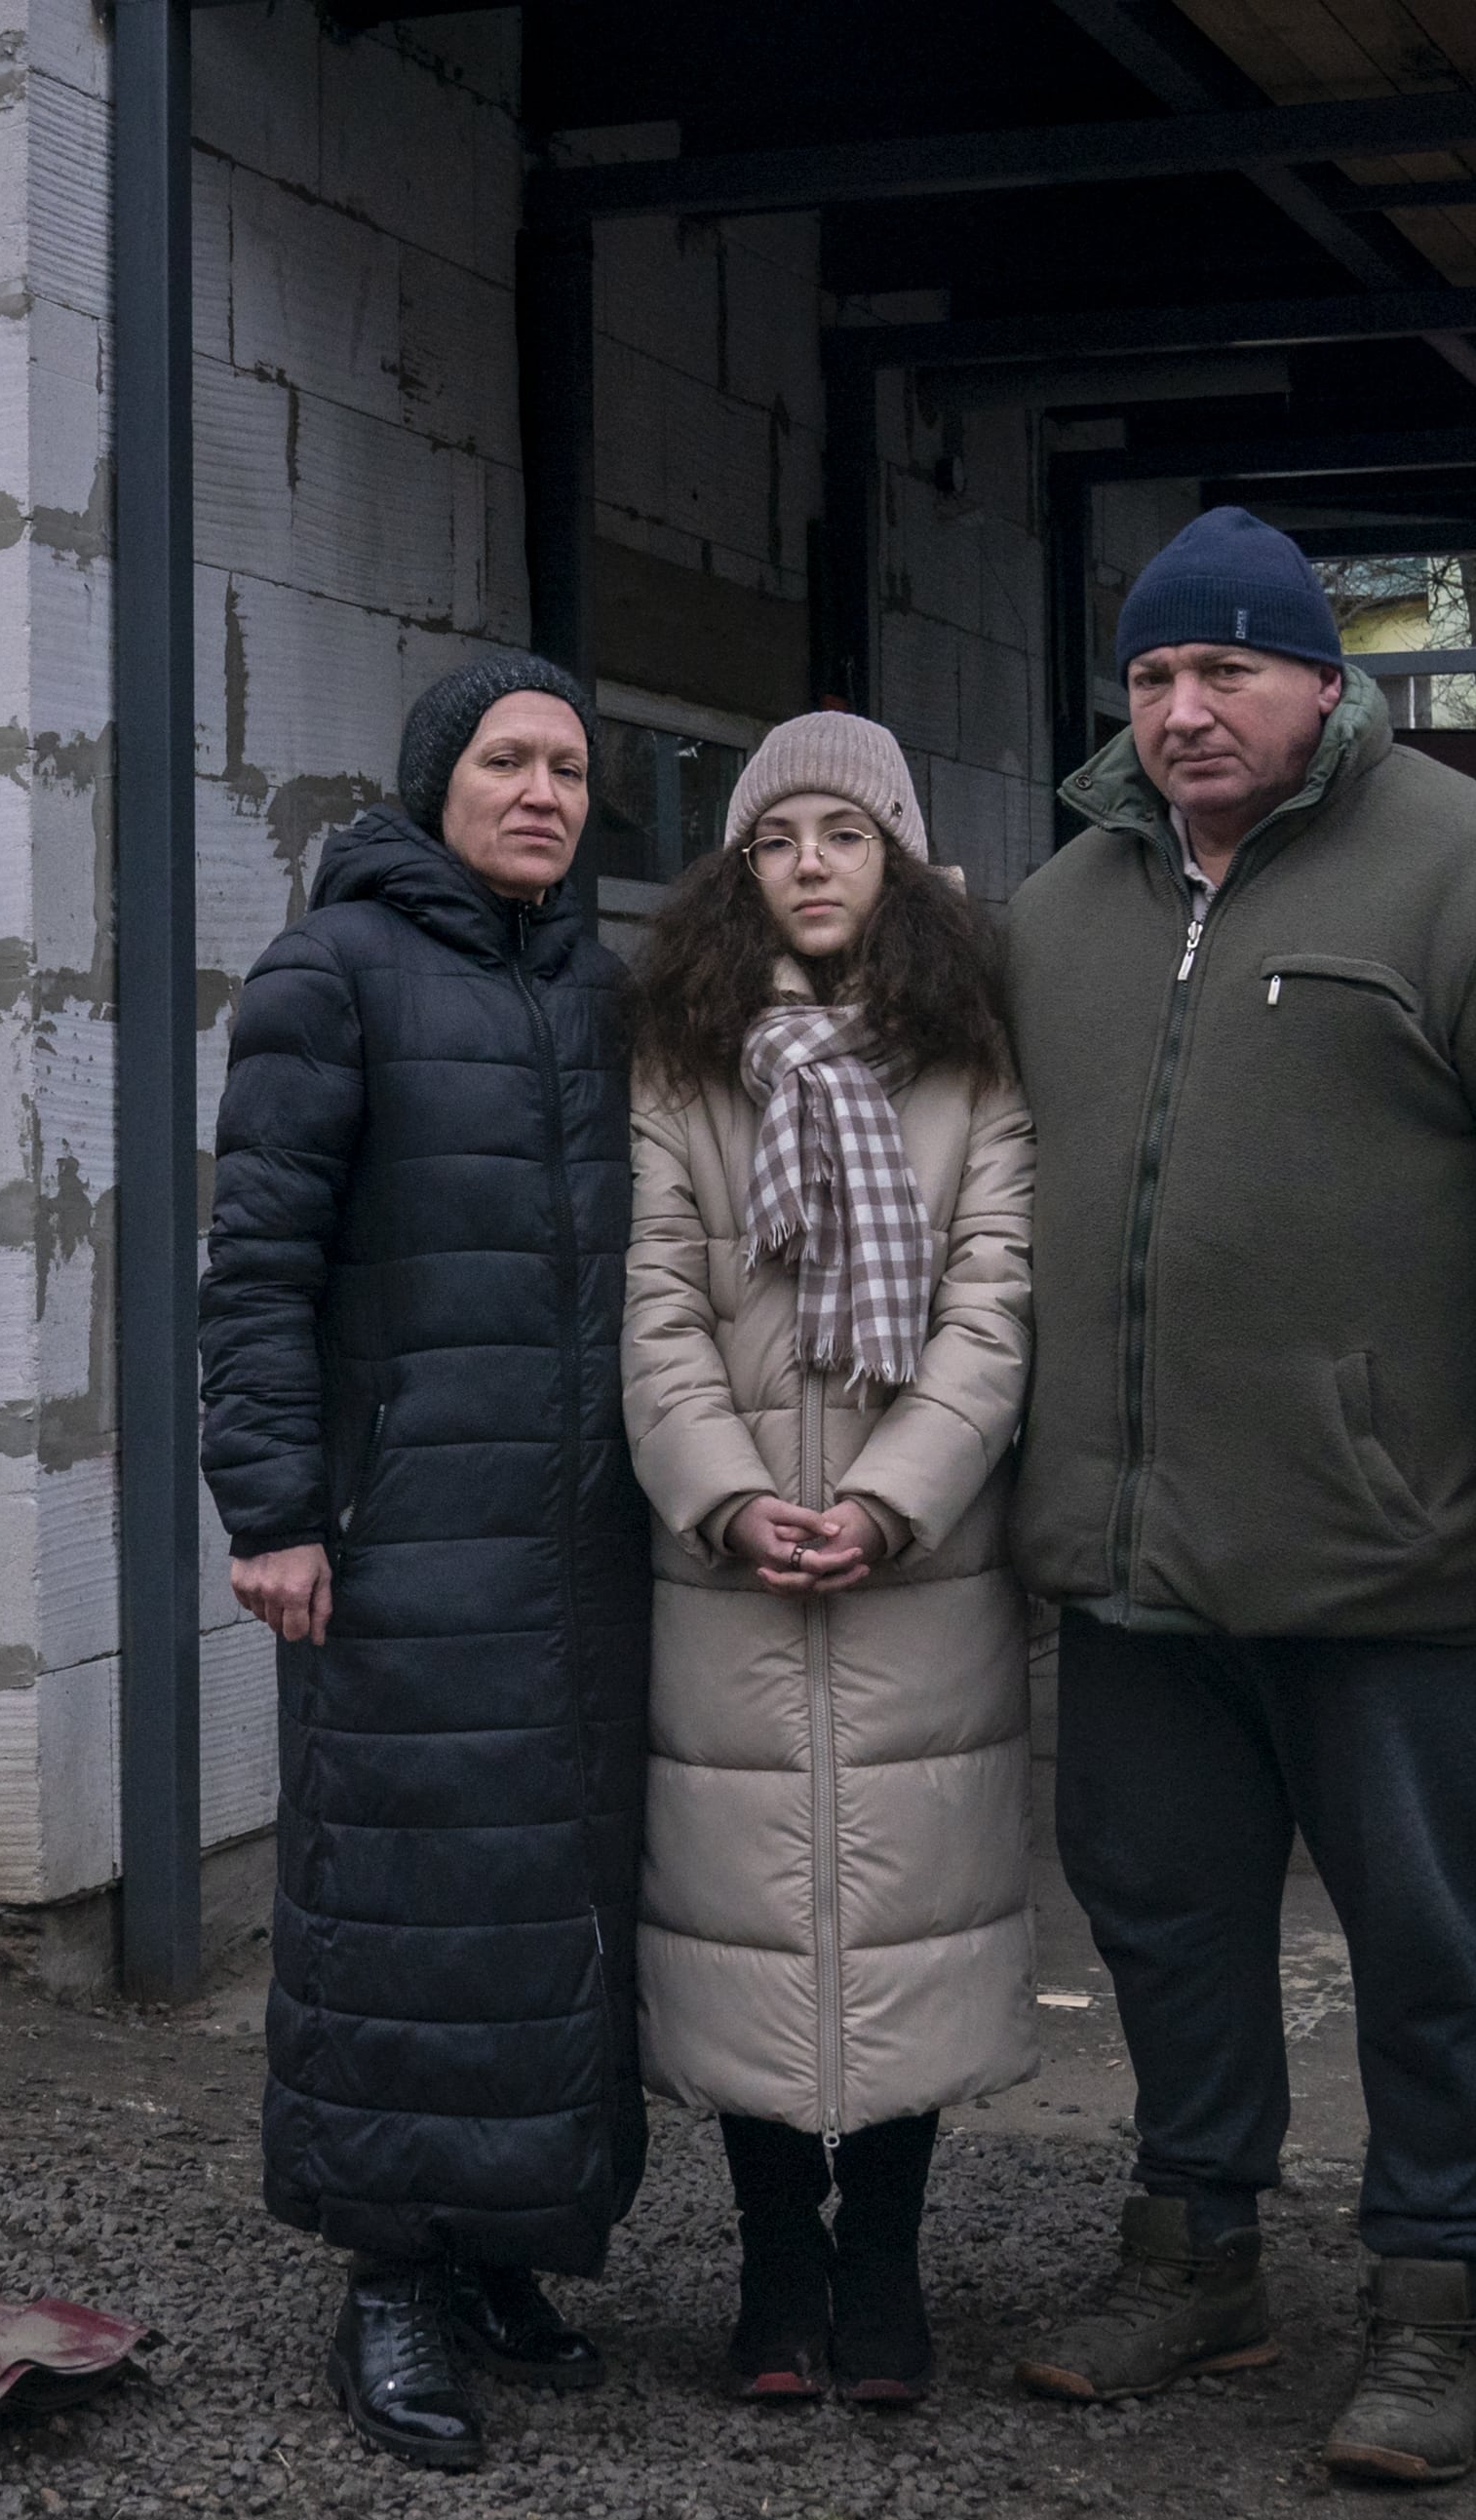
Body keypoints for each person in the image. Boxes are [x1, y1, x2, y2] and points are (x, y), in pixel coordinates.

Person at [999, 507, 1476, 2484]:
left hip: (1392, 1539)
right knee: (1161, 1916)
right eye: (1152, 678)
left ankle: (1434, 2299)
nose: (1187, 710)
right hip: (1137, 1548)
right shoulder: (1057, 917)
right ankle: (1196, 2250)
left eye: (1228, 669)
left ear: (1327, 679)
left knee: (1423, 1942)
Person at [199, 651, 650, 2473]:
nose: (543, 793)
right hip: (398, 1536)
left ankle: (503, 2249)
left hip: (579, 1546)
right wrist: (275, 1509)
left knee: (545, 1905)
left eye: (568, 768)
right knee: (396, 1902)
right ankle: (389, 2278)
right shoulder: (333, 976)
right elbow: (259, 1268)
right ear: (430, 786)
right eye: (507, 763)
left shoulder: (603, 989)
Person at [618, 714, 1036, 2409]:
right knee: (745, 1928)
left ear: (900, 866)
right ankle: (776, 2272)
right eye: (776, 837)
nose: (808, 864)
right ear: (740, 871)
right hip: (726, 1568)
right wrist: (725, 1494)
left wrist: (887, 1498)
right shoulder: (681, 1063)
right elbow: (652, 1304)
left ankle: (889, 2275)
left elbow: (993, 1304)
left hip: (917, 1567)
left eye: (842, 836)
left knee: (905, 1920)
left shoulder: (972, 1068)